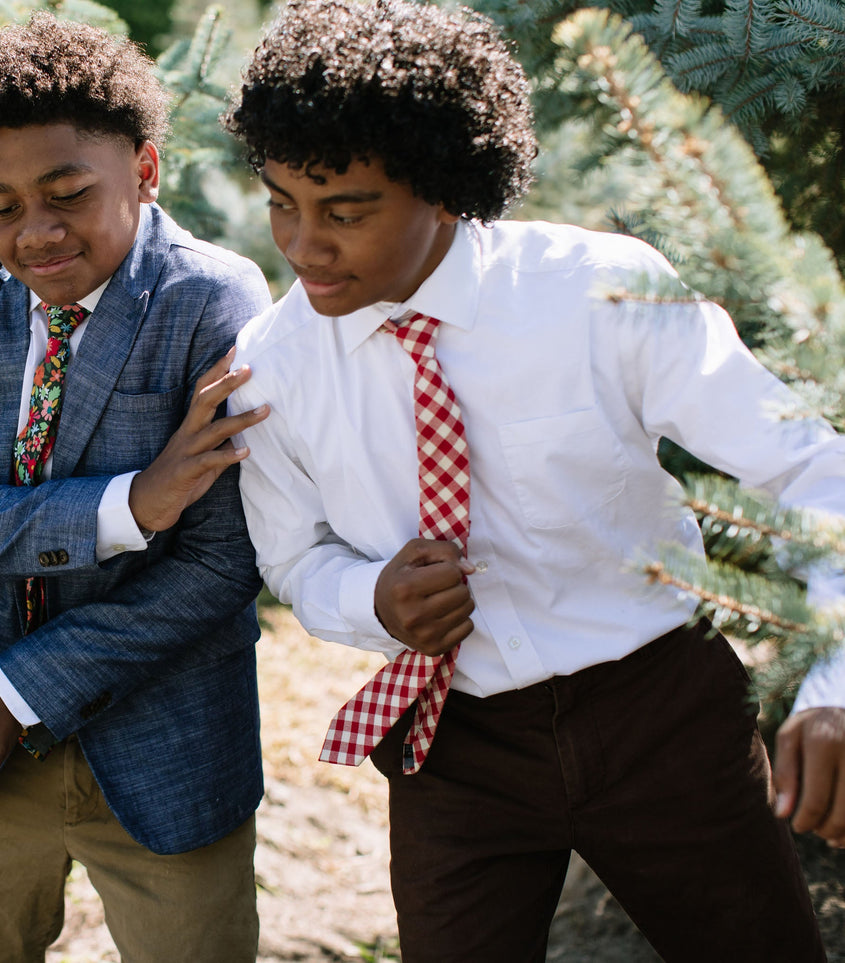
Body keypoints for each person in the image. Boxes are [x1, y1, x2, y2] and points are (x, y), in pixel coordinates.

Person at [220, 1, 845, 960]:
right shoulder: (269, 367)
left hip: (661, 717)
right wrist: (371, 596)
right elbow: (297, 559)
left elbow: (814, 468)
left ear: (445, 188)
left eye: (345, 212)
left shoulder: (601, 290)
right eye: (280, 202)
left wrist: (835, 682)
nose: (302, 245)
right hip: (452, 745)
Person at [0, 12, 274, 962]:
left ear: (144, 171)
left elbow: (221, 566)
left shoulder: (211, 301)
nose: (34, 233)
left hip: (163, 736)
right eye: (1, 205)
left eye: (66, 194)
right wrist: (130, 504)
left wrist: (16, 687)